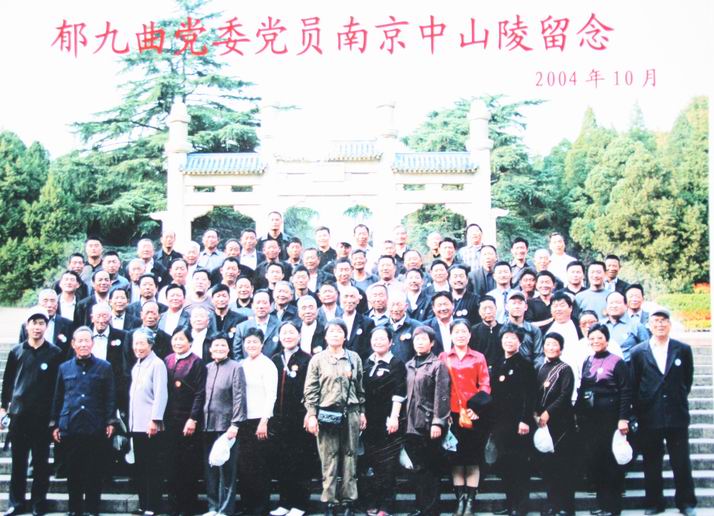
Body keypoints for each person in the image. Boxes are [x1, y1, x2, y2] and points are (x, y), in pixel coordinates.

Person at [630, 307, 697, 515]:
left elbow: (687, 379)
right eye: (656, 321)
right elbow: (635, 383)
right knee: (651, 461)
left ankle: (686, 503)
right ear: (649, 325)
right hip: (649, 414)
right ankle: (654, 503)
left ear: (670, 324)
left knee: (681, 461)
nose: (660, 324)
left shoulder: (682, 349)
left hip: (676, 414)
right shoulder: (638, 352)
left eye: (664, 320)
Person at [1, 307, 63, 516]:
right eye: (34, 323)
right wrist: (3, 408)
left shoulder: (55, 353)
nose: (37, 327)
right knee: (18, 462)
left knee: (40, 463)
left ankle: (38, 503)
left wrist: (54, 417)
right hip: (19, 415)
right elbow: (8, 383)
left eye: (41, 323)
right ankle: (16, 503)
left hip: (42, 417)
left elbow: (58, 387)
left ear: (46, 326)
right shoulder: (17, 351)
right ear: (26, 326)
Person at [51, 326, 117, 516]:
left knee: (94, 471)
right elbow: (58, 397)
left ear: (92, 343)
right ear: (73, 344)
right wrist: (54, 424)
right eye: (79, 341)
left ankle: (92, 509)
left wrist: (110, 421)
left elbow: (110, 397)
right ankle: (75, 510)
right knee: (73, 471)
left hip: (95, 426)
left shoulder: (105, 367)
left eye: (87, 340)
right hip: (71, 426)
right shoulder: (64, 368)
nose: (83, 344)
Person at [304, 318, 367, 516]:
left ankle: (349, 500)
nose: (335, 335)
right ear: (325, 336)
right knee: (329, 457)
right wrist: (311, 414)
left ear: (345, 336)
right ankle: (329, 501)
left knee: (350, 455)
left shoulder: (354, 358)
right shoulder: (317, 360)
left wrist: (362, 411)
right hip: (327, 414)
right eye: (331, 331)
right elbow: (310, 390)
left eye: (339, 331)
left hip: (351, 412)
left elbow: (360, 387)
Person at [575, 323, 632, 516]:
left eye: (599, 338)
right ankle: (601, 503)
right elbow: (583, 389)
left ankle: (613, 507)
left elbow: (625, 391)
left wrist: (623, 418)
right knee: (596, 460)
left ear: (607, 340)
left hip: (611, 418)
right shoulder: (588, 360)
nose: (595, 341)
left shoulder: (617, 362)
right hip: (591, 419)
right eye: (592, 338)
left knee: (611, 462)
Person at [439, 319, 491, 516]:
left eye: (464, 332)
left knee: (472, 459)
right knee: (457, 459)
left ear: (470, 335)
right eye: (456, 332)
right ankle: (459, 501)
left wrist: (477, 408)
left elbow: (485, 384)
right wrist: (444, 412)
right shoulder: (444, 357)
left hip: (473, 415)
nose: (460, 335)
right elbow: (440, 386)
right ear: (451, 335)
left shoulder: (478, 357)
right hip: (451, 414)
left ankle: (470, 502)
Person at [403, 325, 450, 516]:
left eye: (424, 339)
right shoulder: (409, 365)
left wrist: (438, 422)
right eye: (417, 339)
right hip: (410, 423)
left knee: (431, 468)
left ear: (432, 343)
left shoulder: (438, 365)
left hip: (430, 423)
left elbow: (442, 395)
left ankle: (431, 510)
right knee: (418, 468)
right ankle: (420, 507)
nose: (420, 343)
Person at [491, 323, 536, 516]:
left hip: (519, 424)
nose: (509, 341)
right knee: (505, 465)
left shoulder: (525, 365)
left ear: (520, 341)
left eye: (513, 338)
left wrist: (525, 420)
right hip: (501, 423)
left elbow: (530, 395)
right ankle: (510, 505)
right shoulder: (498, 363)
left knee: (520, 465)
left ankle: (521, 506)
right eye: (506, 337)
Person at [269, 321, 314, 516]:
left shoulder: (307, 359)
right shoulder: (275, 359)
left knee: (300, 463)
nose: (287, 336)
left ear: (299, 335)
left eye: (291, 332)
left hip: (299, 419)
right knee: (282, 462)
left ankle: (300, 504)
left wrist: (309, 413)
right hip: (279, 420)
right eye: (284, 333)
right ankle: (284, 502)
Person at [361, 326, 407, 516]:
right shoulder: (367, 362)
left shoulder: (396, 363)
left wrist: (394, 416)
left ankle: (386, 505)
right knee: (370, 463)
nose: (378, 341)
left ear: (391, 342)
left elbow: (399, 392)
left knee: (386, 465)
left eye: (382, 338)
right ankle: (373, 500)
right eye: (375, 338)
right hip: (368, 421)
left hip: (388, 420)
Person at [164, 327, 206, 515]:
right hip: (169, 420)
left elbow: (200, 393)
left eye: (181, 339)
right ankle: (174, 507)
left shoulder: (196, 362)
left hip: (188, 420)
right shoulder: (167, 360)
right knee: (172, 464)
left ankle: (188, 507)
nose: (178, 343)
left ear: (190, 341)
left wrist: (193, 418)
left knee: (188, 465)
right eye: (175, 339)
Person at [202, 334, 246, 516]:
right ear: (210, 349)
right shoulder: (207, 368)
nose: (219, 348)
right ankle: (212, 507)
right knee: (211, 468)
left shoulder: (236, 367)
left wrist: (235, 424)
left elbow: (239, 397)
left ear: (228, 349)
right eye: (216, 345)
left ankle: (225, 510)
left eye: (223, 345)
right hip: (207, 425)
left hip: (227, 426)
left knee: (227, 470)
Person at [534, 333, 576, 516]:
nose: (551, 347)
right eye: (548, 344)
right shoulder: (540, 368)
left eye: (555, 344)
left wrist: (548, 412)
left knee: (563, 466)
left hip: (561, 422)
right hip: (543, 424)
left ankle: (566, 507)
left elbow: (565, 395)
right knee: (548, 467)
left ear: (561, 348)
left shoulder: (565, 369)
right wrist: (536, 413)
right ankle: (553, 504)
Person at [238, 327, 279, 515]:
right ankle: (247, 506)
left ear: (262, 344)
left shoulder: (267, 365)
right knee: (245, 466)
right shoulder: (242, 364)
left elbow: (271, 395)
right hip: (243, 421)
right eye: (248, 342)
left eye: (255, 342)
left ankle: (260, 508)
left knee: (260, 465)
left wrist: (264, 421)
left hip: (261, 421)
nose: (251, 345)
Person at [128, 327, 168, 516]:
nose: (138, 347)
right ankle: (143, 504)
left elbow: (161, 394)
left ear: (151, 344)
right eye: (135, 343)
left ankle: (152, 506)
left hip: (150, 425)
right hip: (136, 424)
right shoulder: (137, 365)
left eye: (142, 343)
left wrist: (155, 420)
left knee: (152, 466)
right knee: (141, 466)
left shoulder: (157, 364)